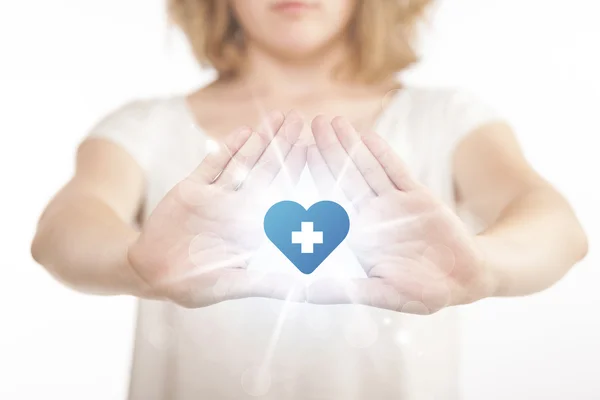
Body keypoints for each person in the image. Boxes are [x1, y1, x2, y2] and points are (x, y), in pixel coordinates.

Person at [31, 0, 588, 399]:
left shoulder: (446, 117)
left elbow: (554, 224)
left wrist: (485, 267)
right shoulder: (146, 127)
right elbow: (65, 228)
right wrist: (134, 265)